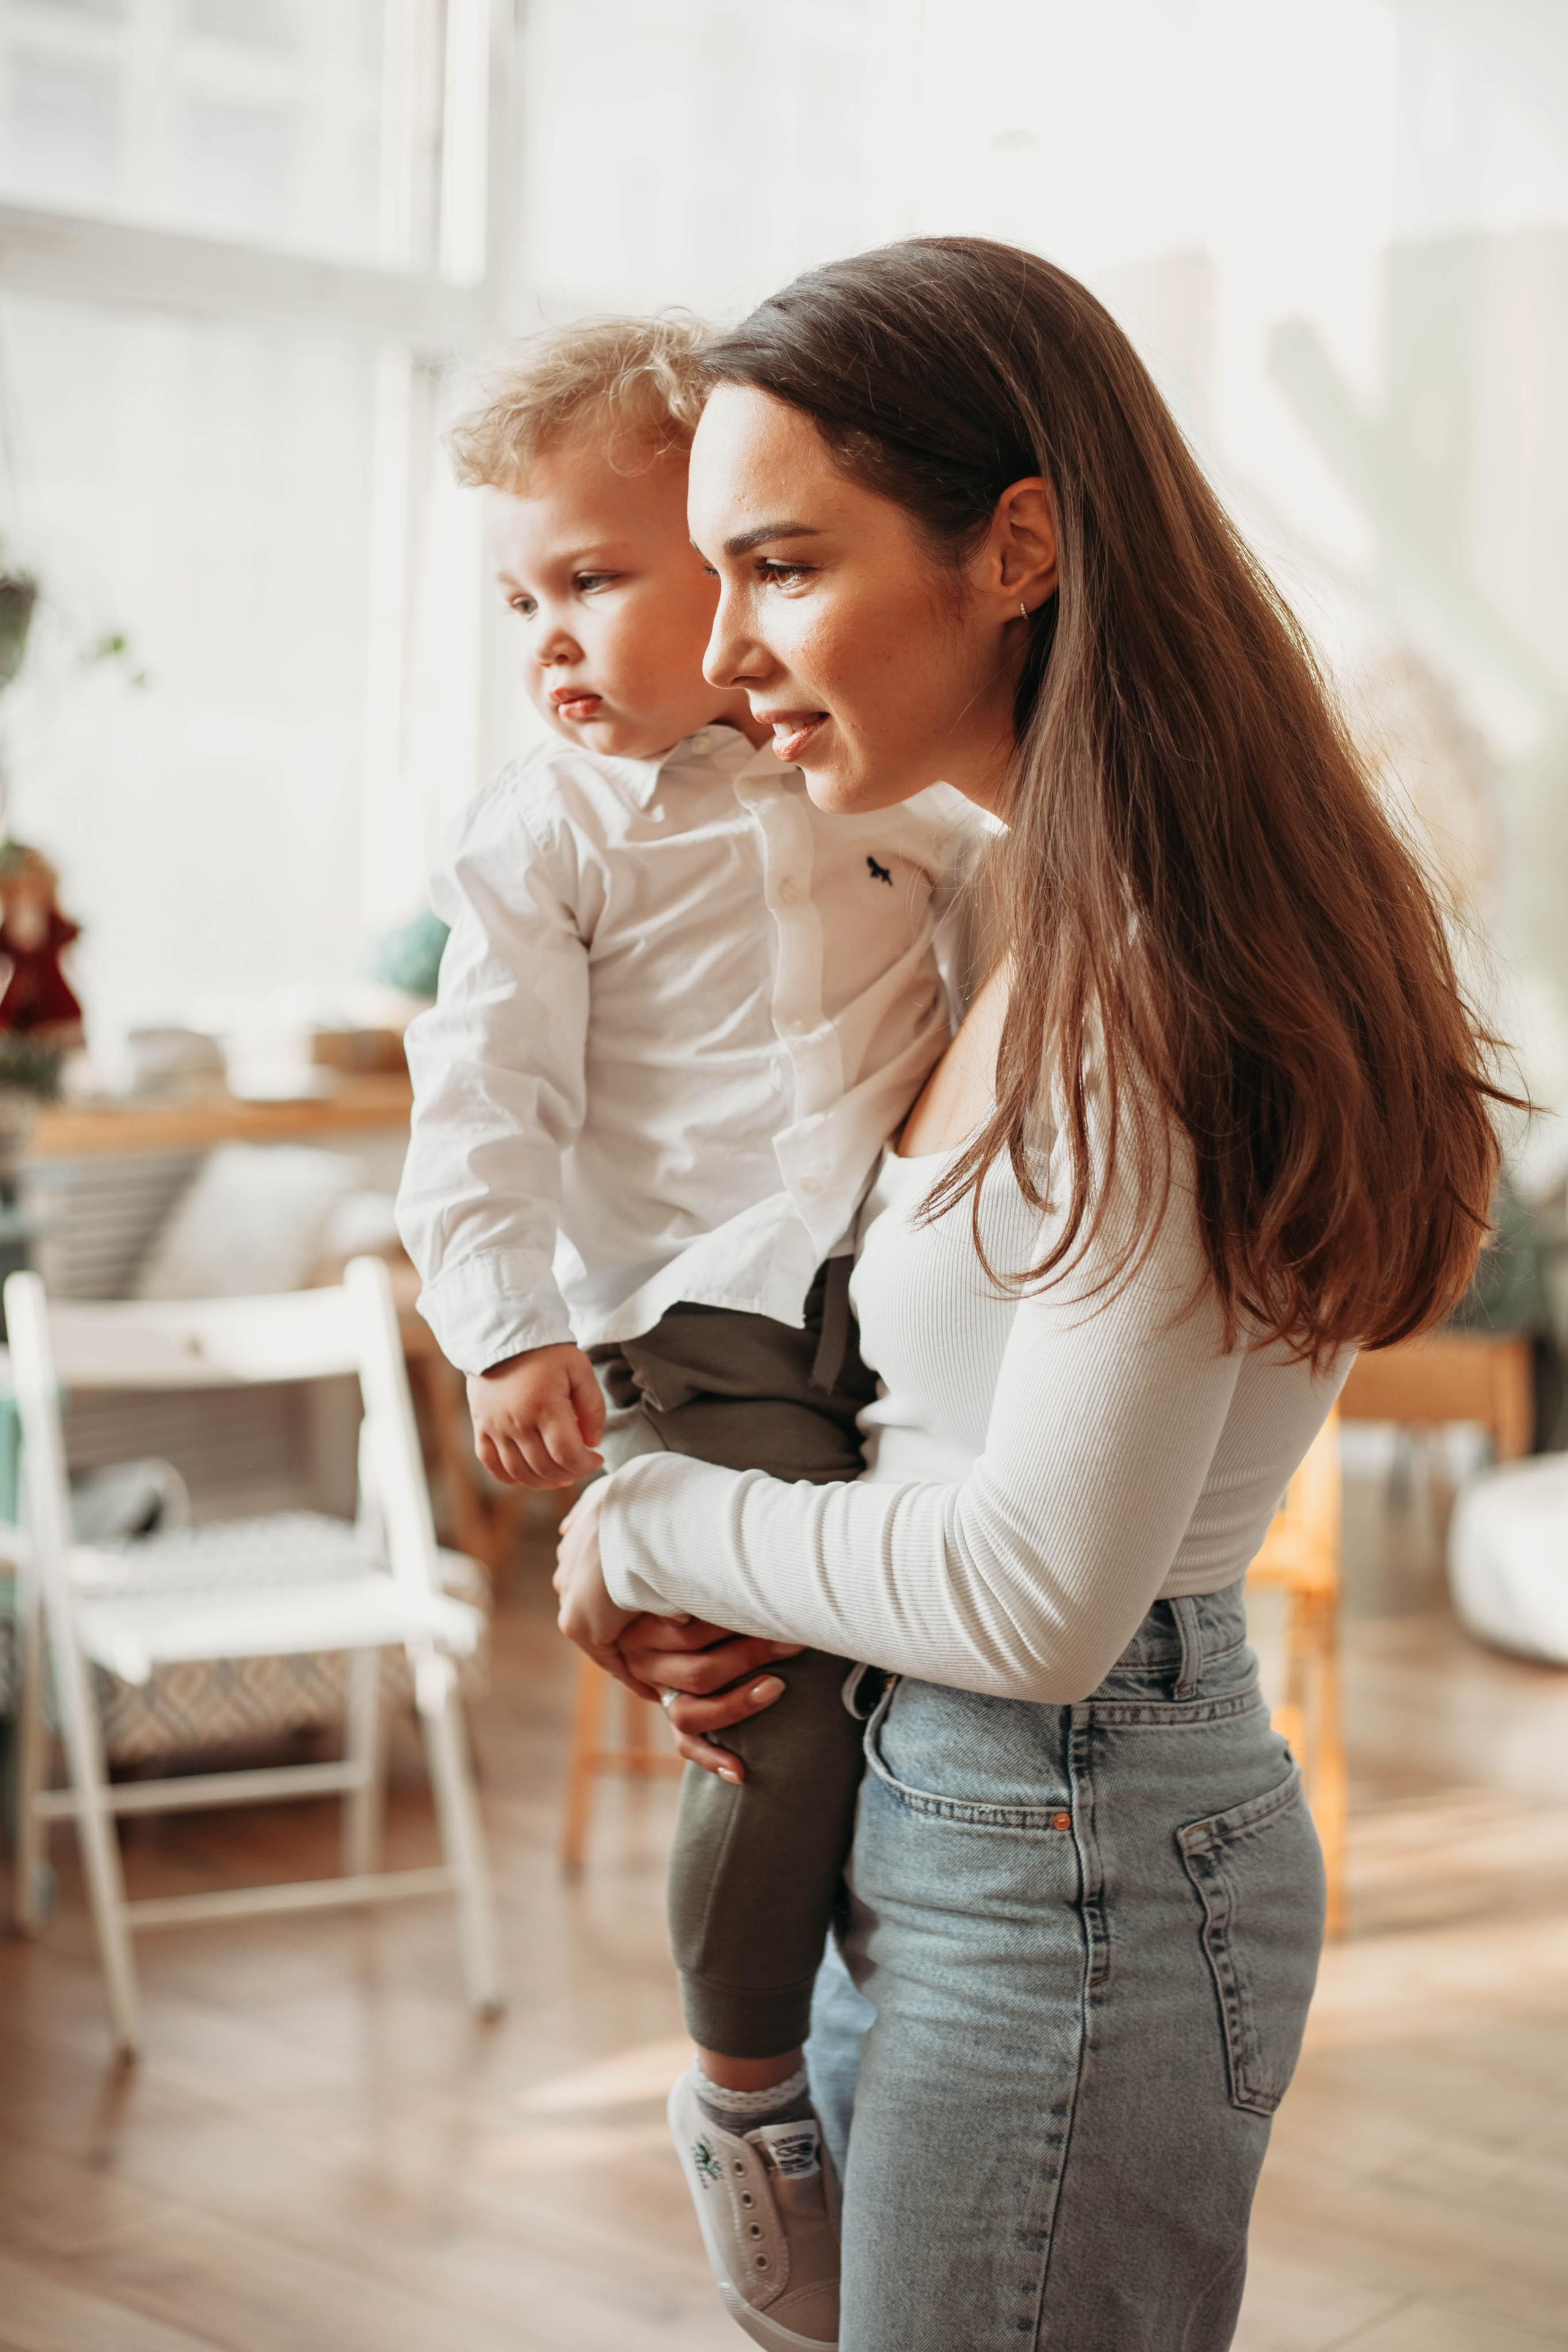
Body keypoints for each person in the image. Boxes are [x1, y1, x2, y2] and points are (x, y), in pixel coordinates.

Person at [554, 239, 1510, 2351]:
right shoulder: (1004, 916)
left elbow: (1040, 1595)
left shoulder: (1146, 981)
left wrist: (643, 1525)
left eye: (785, 569)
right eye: (706, 581)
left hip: (1072, 1843)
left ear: (1019, 548)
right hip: (958, 1799)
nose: (724, 656)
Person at [395, 315, 980, 2348]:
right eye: (525, 598)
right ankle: (745, 2099)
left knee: (920, 1682)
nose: (551, 637)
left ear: (735, 564)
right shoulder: (544, 827)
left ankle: (907, 2025)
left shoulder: (863, 774)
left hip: (884, 1285)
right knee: (771, 1703)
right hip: (698, 1311)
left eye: (596, 578)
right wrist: (502, 1329)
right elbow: (481, 1101)